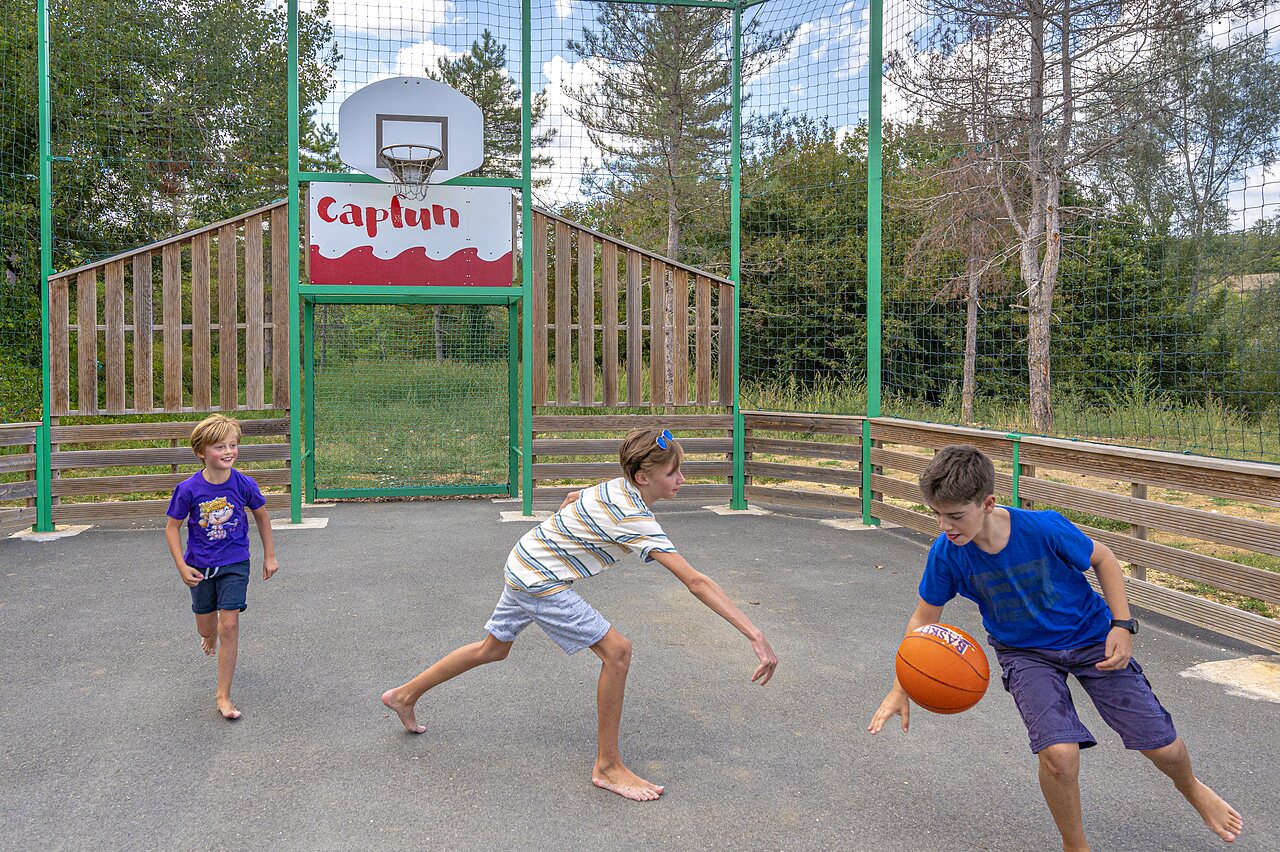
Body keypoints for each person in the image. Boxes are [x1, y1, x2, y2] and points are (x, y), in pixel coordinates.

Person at [868, 444, 1242, 850]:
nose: (944, 525)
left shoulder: (1043, 528)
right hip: (1024, 653)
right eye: (937, 513)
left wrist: (1122, 625)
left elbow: (1105, 559)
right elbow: (924, 621)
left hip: (1089, 637)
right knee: (1059, 756)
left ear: (988, 503)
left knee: (1163, 748)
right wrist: (900, 685)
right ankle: (1075, 844)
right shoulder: (948, 553)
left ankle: (1191, 788)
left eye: (956, 515)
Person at [381, 426, 778, 802]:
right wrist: (754, 635)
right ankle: (607, 766)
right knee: (617, 651)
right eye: (673, 472)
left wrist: (565, 535)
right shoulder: (634, 517)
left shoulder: (616, 487)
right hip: (539, 580)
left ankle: (404, 695)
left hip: (523, 558)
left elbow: (573, 497)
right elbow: (696, 582)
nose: (682, 479)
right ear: (642, 476)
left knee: (492, 649)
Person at [165, 414, 279, 720]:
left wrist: (269, 556)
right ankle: (208, 633)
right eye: (220, 447)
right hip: (199, 567)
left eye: (232, 445)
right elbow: (172, 528)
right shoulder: (188, 489)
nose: (228, 451)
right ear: (202, 451)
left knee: (229, 624)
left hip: (235, 562)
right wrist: (181, 566)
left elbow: (262, 516)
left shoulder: (243, 483)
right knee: (207, 625)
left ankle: (223, 695)